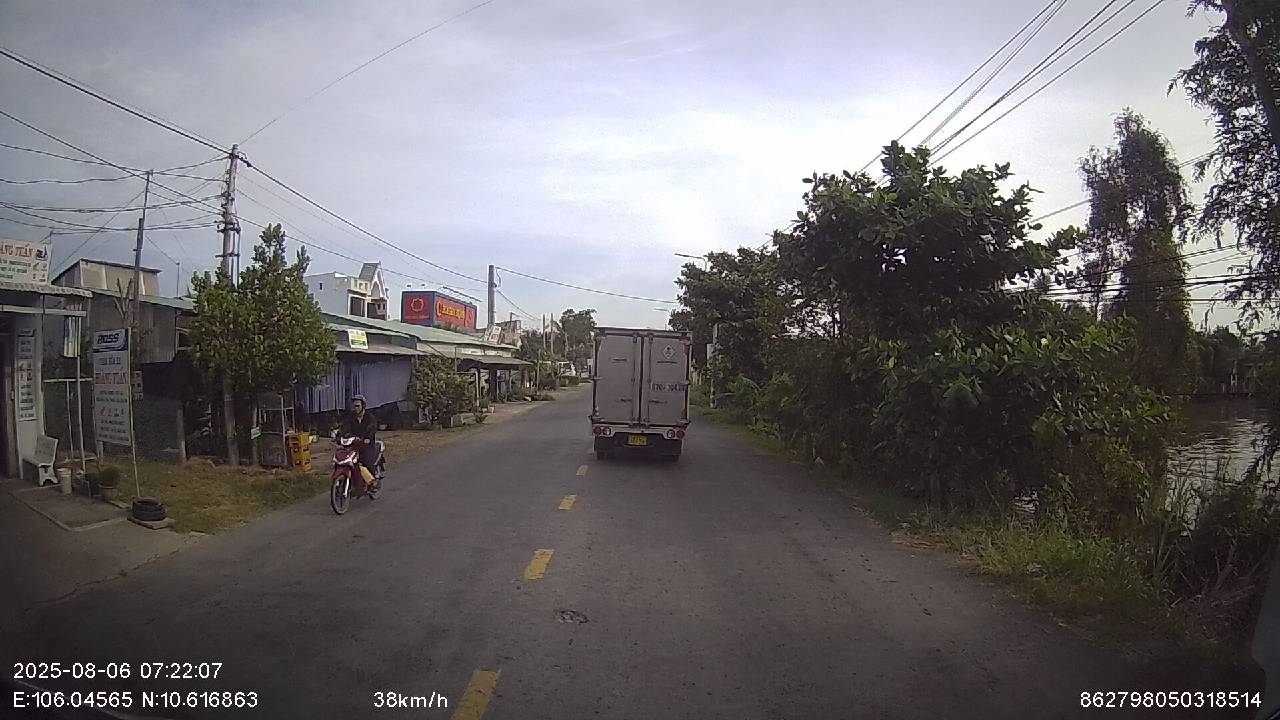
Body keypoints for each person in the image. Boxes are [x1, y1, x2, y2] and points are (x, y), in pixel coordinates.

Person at [339, 395, 379, 484]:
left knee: (366, 460)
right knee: (345, 459)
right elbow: (344, 427)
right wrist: (339, 436)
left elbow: (372, 428)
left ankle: (372, 482)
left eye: (358, 406)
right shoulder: (351, 417)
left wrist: (367, 438)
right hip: (353, 444)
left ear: (363, 406)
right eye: (354, 406)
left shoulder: (369, 417)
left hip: (367, 445)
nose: (355, 408)